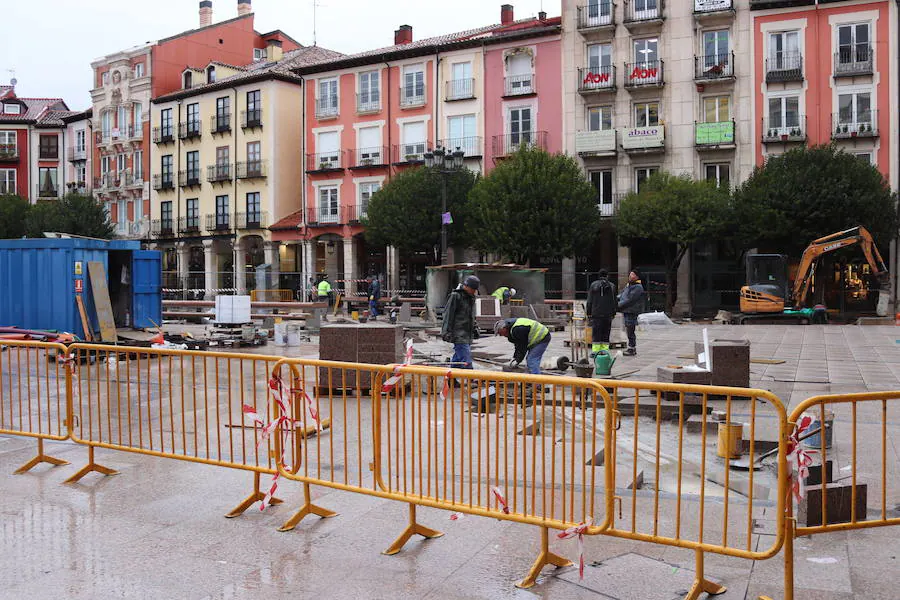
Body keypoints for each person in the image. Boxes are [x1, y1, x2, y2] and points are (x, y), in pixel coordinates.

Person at [441, 275, 480, 369]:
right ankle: (471, 380)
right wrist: (446, 331)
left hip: (467, 334)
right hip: (459, 334)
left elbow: (470, 315)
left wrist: (474, 327)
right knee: (466, 360)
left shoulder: (470, 298)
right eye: (473, 289)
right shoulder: (456, 296)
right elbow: (448, 314)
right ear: (467, 286)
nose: (474, 291)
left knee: (458, 359)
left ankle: (451, 379)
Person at [586, 269, 617, 355]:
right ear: (607, 276)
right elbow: (615, 301)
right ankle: (605, 351)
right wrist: (614, 312)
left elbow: (589, 301)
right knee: (606, 333)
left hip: (596, 314)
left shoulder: (593, 285)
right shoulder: (612, 286)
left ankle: (595, 352)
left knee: (596, 333)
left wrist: (588, 313)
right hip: (608, 314)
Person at [617, 269, 646, 356]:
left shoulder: (638, 287)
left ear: (637, 277)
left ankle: (632, 348)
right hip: (626, 310)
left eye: (632, 274)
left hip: (631, 311)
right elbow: (622, 295)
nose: (630, 276)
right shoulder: (629, 285)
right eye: (630, 274)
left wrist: (618, 305)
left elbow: (629, 299)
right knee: (628, 329)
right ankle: (631, 347)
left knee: (630, 329)